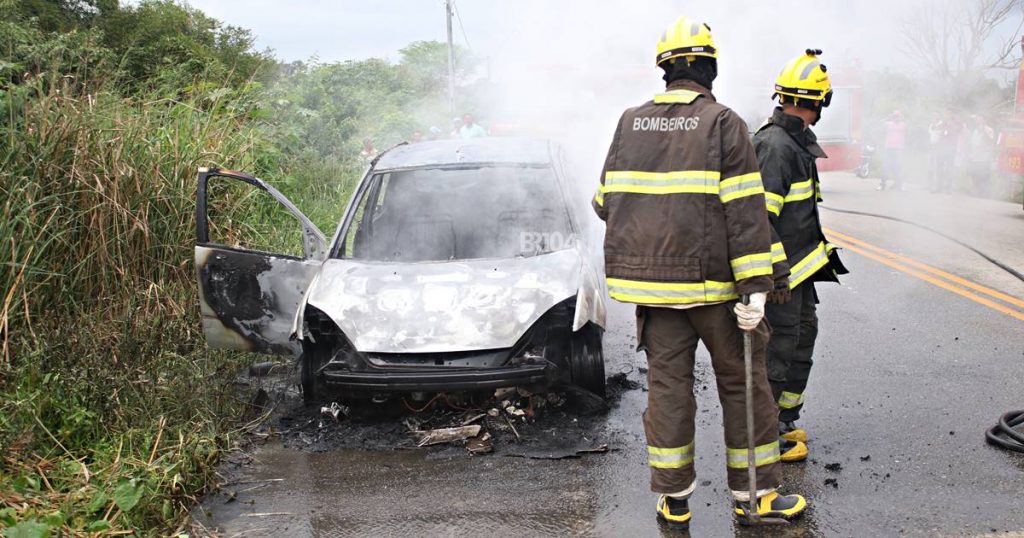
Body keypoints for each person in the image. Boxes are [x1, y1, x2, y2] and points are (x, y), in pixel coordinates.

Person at [593, 16, 807, 529]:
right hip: (717, 293)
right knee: (743, 385)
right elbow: (745, 212)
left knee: (668, 390)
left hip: (656, 294)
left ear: (664, 70)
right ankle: (753, 497)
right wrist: (758, 288)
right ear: (710, 68)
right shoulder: (723, 122)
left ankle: (674, 497)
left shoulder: (628, 122)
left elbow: (604, 203)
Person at [753, 49, 848, 463]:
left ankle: (785, 421)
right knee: (778, 350)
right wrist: (774, 276)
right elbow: (760, 220)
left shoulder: (794, 142)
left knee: (799, 341)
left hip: (798, 274)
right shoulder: (776, 147)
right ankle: (766, 434)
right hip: (781, 278)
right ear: (819, 102)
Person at [966, 115, 996, 196]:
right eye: (977, 120)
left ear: (985, 121)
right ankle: (976, 192)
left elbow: (990, 142)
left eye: (980, 120)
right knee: (974, 175)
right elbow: (972, 143)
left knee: (984, 176)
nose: (978, 122)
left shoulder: (989, 130)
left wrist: (984, 132)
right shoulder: (975, 130)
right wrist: (969, 154)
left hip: (984, 158)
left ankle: (985, 194)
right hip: (974, 157)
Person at [879, 111, 907, 190]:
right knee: (885, 167)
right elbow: (880, 122)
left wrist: (896, 117)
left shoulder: (903, 125)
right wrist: (889, 116)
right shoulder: (889, 124)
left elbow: (903, 124)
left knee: (898, 167)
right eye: (895, 116)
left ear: (900, 117)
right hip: (889, 148)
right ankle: (882, 184)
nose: (896, 118)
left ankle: (899, 185)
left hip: (898, 149)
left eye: (897, 116)